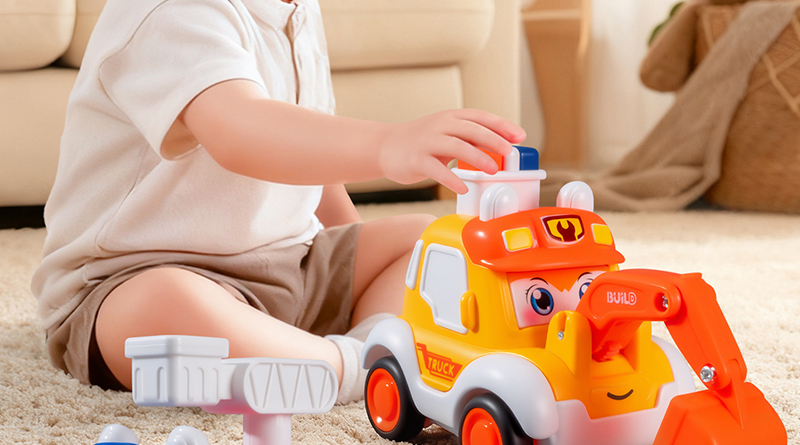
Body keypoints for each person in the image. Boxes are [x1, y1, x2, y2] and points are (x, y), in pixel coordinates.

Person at [33, 0, 525, 402]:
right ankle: (359, 366)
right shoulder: (169, 10)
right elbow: (237, 129)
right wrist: (387, 144)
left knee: (430, 244)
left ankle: (348, 350)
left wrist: (351, 262)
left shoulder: (298, 10)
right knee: (161, 307)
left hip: (293, 264)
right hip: (132, 278)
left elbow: (311, 153)